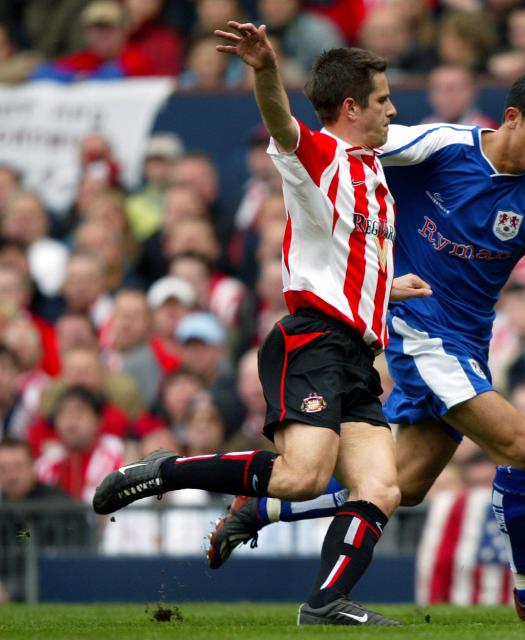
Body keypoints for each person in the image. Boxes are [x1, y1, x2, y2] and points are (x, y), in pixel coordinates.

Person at [208, 70, 525, 623]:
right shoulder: (443, 145)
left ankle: (264, 507)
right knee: (521, 447)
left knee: (402, 487)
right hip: (414, 322)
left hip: (469, 342)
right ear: (512, 117)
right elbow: (350, 146)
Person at [92, 25, 431, 626]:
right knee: (302, 477)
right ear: (351, 107)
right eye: (383, 99)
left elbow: (345, 260)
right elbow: (281, 123)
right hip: (314, 342)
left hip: (355, 351)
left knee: (382, 487)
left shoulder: (373, 173)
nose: (393, 108)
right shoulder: (321, 158)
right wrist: (265, 70)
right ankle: (163, 472)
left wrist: (387, 289)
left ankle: (325, 602)